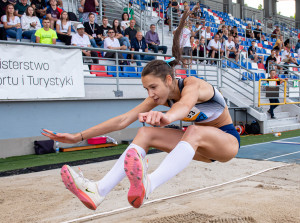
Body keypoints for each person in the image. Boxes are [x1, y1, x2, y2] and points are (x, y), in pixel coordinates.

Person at [42, 9, 240, 211]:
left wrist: (166, 117)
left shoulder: (193, 85)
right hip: (198, 148)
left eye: (153, 87)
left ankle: (149, 183)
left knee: (194, 130)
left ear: (169, 80)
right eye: (146, 89)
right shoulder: (160, 97)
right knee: (144, 132)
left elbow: (183, 107)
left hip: (227, 142)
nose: (150, 94)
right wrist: (78, 136)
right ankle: (98, 190)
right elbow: (122, 120)